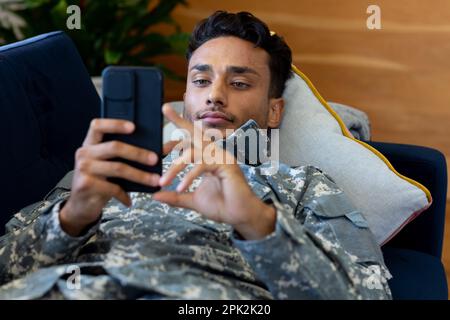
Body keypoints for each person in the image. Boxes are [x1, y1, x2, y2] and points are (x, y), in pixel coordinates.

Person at [0, 11, 391, 299]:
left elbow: (367, 296)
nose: (214, 95)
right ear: (186, 99)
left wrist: (259, 225)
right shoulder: (106, 166)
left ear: (275, 110)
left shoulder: (303, 183)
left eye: (239, 82)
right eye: (201, 81)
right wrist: (70, 219)